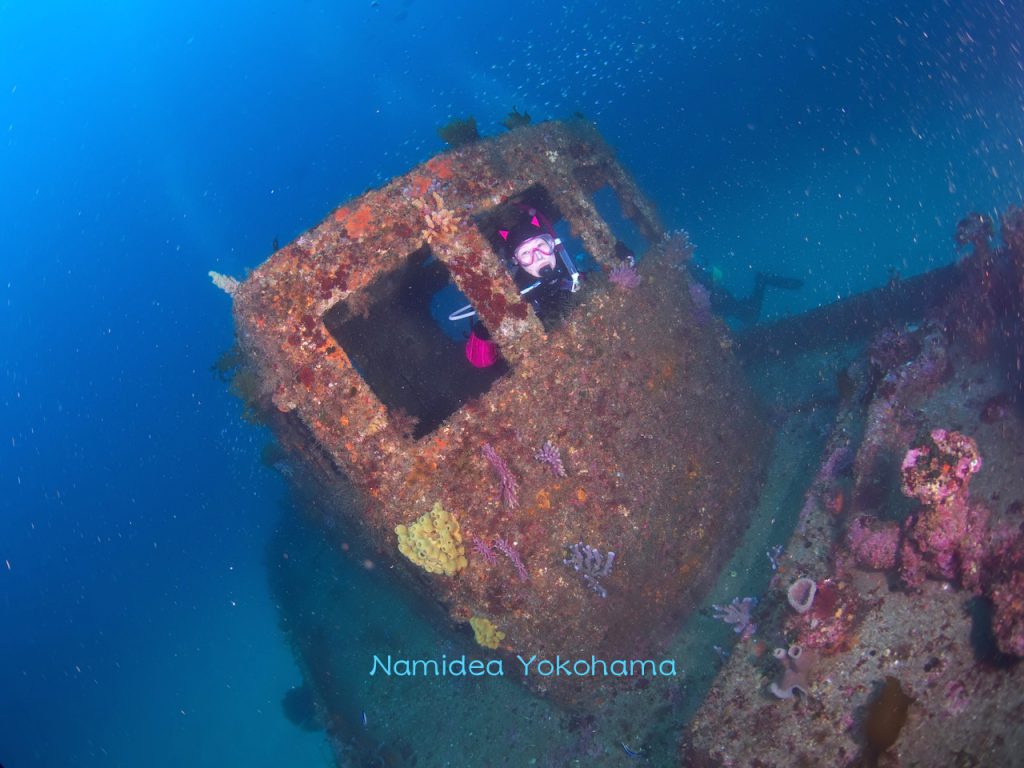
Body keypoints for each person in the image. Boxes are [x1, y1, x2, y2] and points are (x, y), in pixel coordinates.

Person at [687, 260, 803, 324]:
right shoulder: (717, 291)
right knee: (752, 312)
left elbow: (724, 308)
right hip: (741, 308)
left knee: (752, 313)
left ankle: (762, 280)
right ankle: (762, 280)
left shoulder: (718, 292)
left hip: (742, 309)